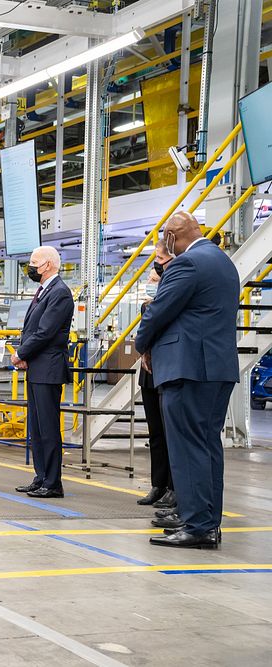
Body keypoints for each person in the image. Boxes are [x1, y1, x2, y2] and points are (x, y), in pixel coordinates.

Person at [135, 211, 238, 549]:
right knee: (207, 446)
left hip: (188, 368)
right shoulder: (222, 261)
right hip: (216, 368)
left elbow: (160, 311)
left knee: (187, 447)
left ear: (171, 236)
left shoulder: (187, 263)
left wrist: (142, 344)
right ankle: (207, 521)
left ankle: (196, 527)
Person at [11, 246, 74, 499]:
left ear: (47, 264)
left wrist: (21, 354)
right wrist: (26, 356)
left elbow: (45, 332)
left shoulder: (60, 293)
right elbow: (33, 329)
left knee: (48, 427)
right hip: (37, 367)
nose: (30, 266)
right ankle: (41, 477)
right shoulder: (44, 291)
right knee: (37, 427)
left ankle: (53, 483)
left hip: (48, 369)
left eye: (33, 262)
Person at [136, 244, 176, 509]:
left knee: (170, 433)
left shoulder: (171, 304)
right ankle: (157, 485)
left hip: (165, 372)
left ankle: (174, 486)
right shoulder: (146, 306)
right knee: (155, 435)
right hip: (148, 376)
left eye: (154, 280)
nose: (150, 283)